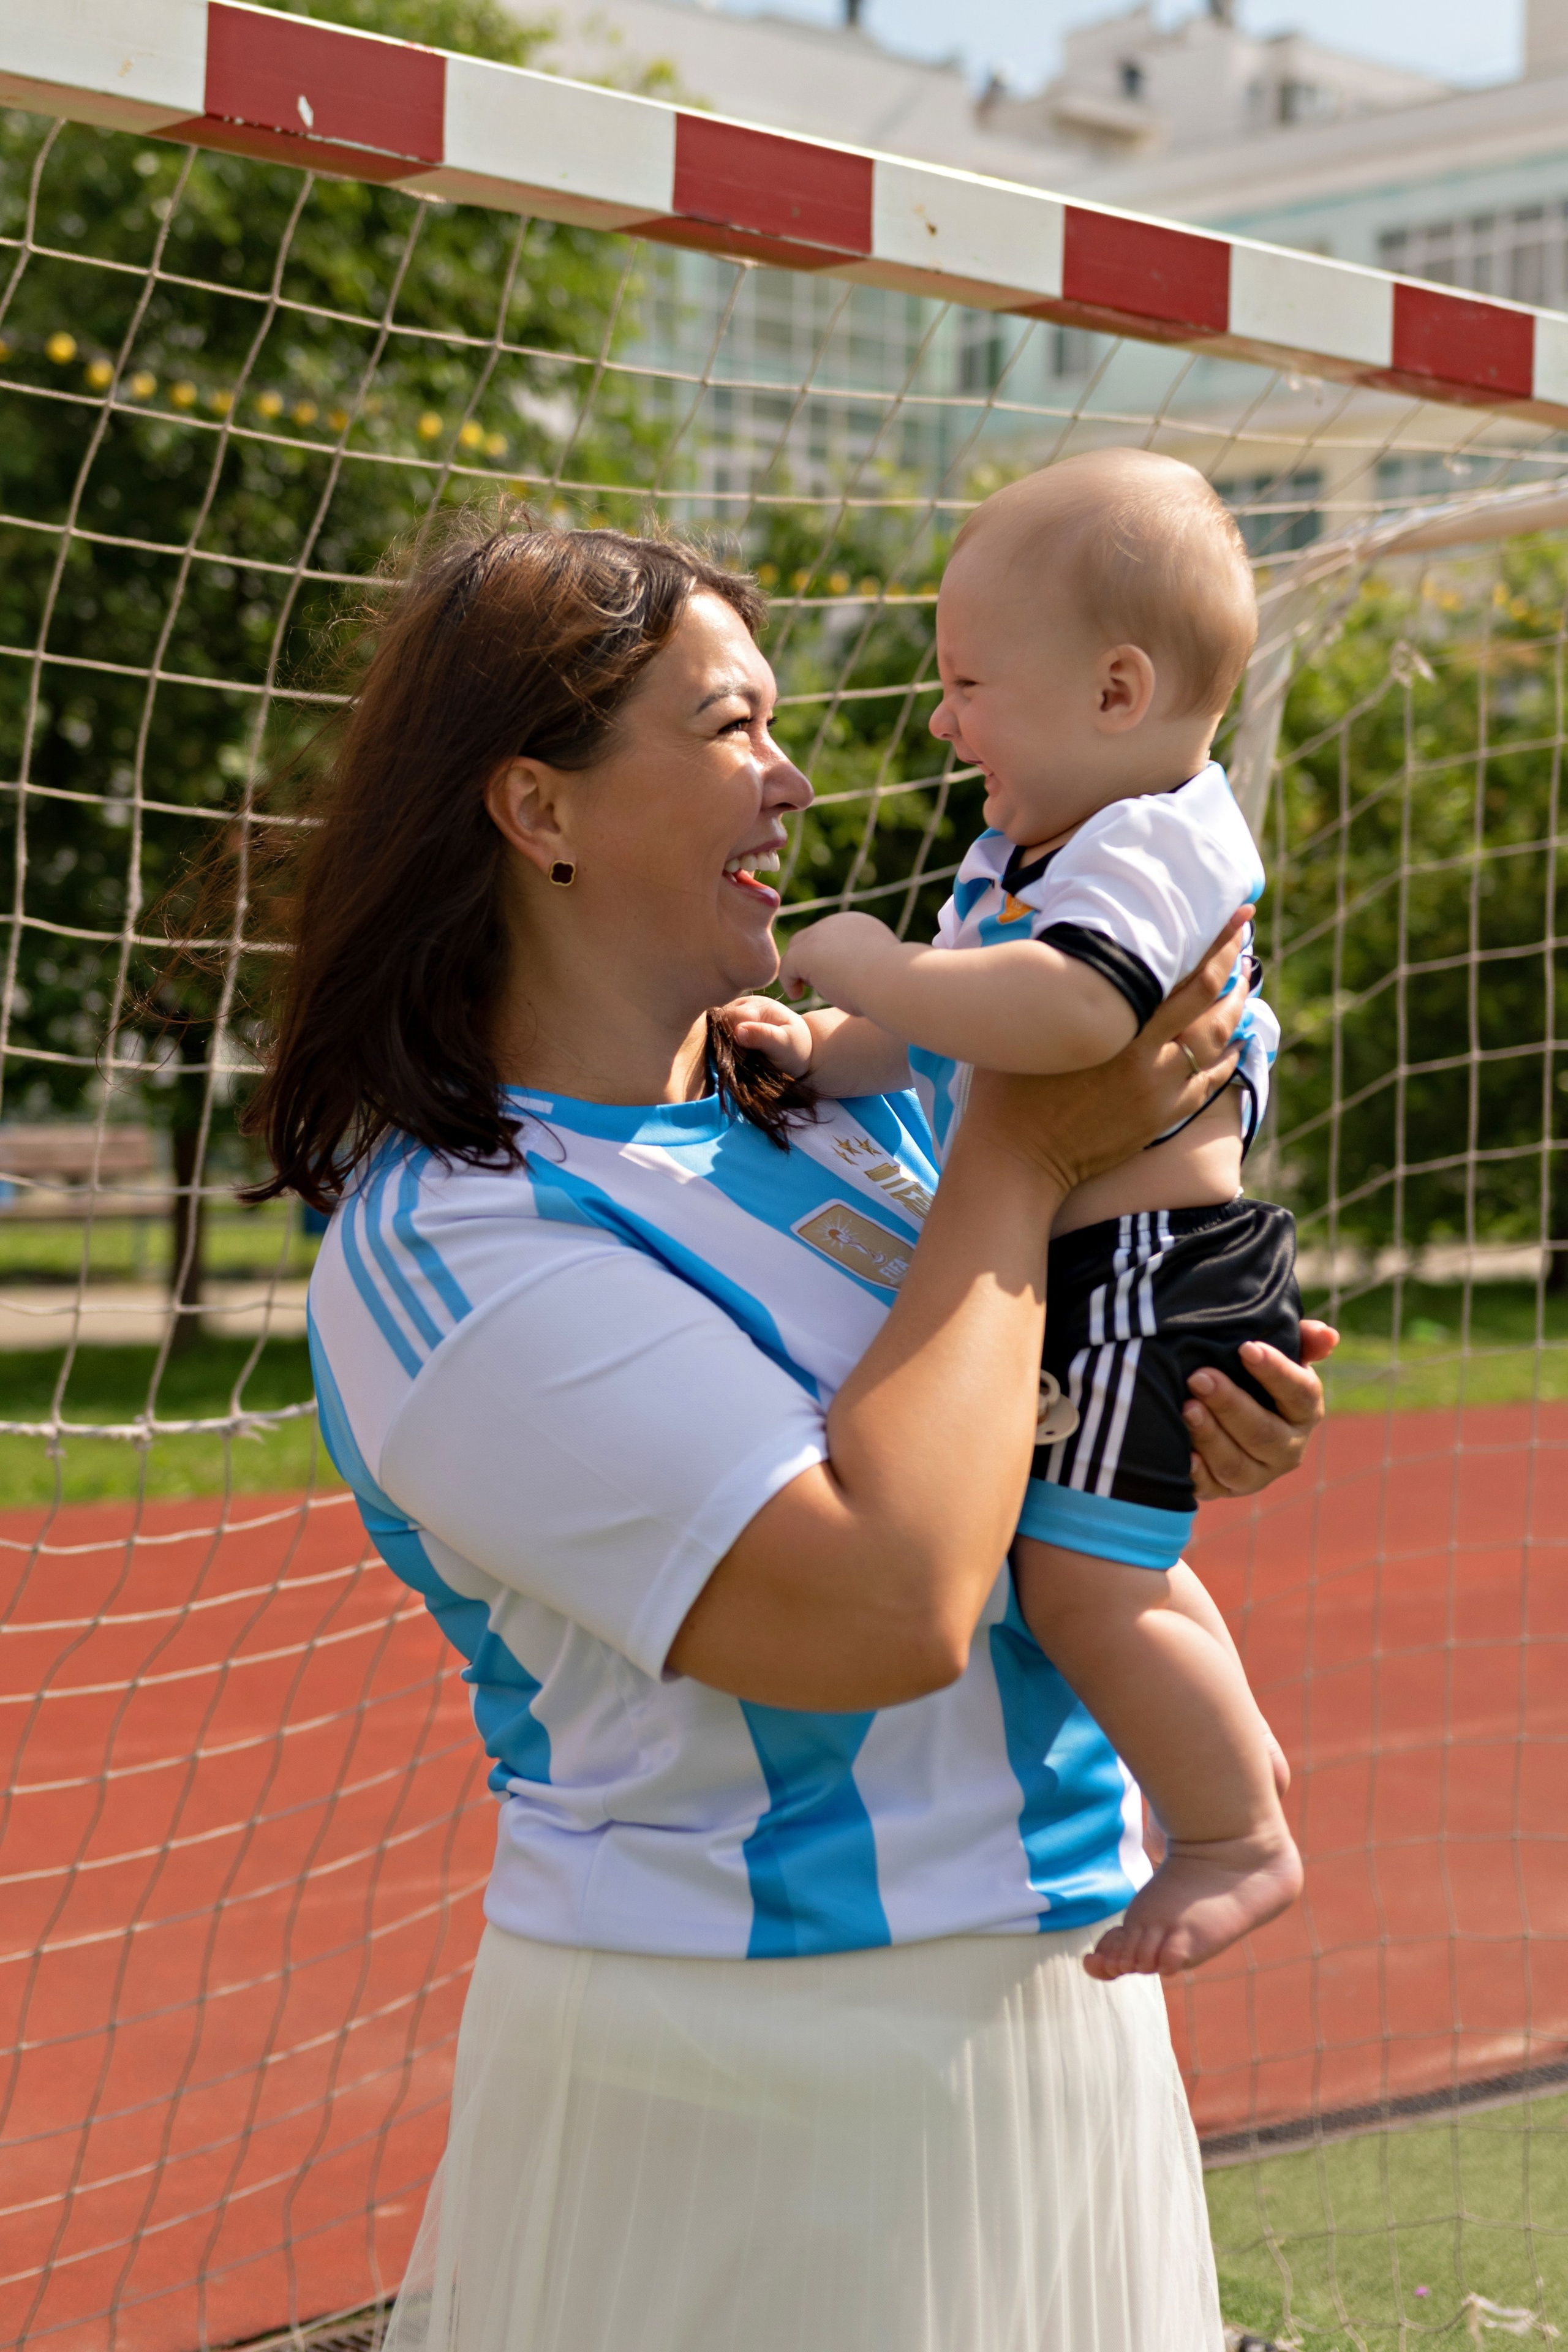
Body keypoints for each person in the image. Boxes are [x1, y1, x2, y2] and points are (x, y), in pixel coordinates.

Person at [244, 513, 1336, 2352]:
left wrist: (1182, 1399)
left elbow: (1024, 1406)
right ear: (542, 810)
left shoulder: (834, 1115)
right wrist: (1030, 1139)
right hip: (745, 2059)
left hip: (1064, 1993)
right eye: (731, 726)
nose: (795, 772)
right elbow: (884, 1607)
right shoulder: (455, 1245)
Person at [731, 448, 1300, 1984]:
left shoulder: (1157, 836)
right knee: (1093, 1559)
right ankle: (1230, 1770)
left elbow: (1056, 1022)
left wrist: (856, 961)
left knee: (1080, 1583)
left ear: (1117, 691)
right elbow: (941, 1037)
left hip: (1145, 1270)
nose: (940, 720)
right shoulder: (1035, 847)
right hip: (1098, 1265)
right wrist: (826, 1048)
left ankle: (1235, 1831)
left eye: (968, 682)